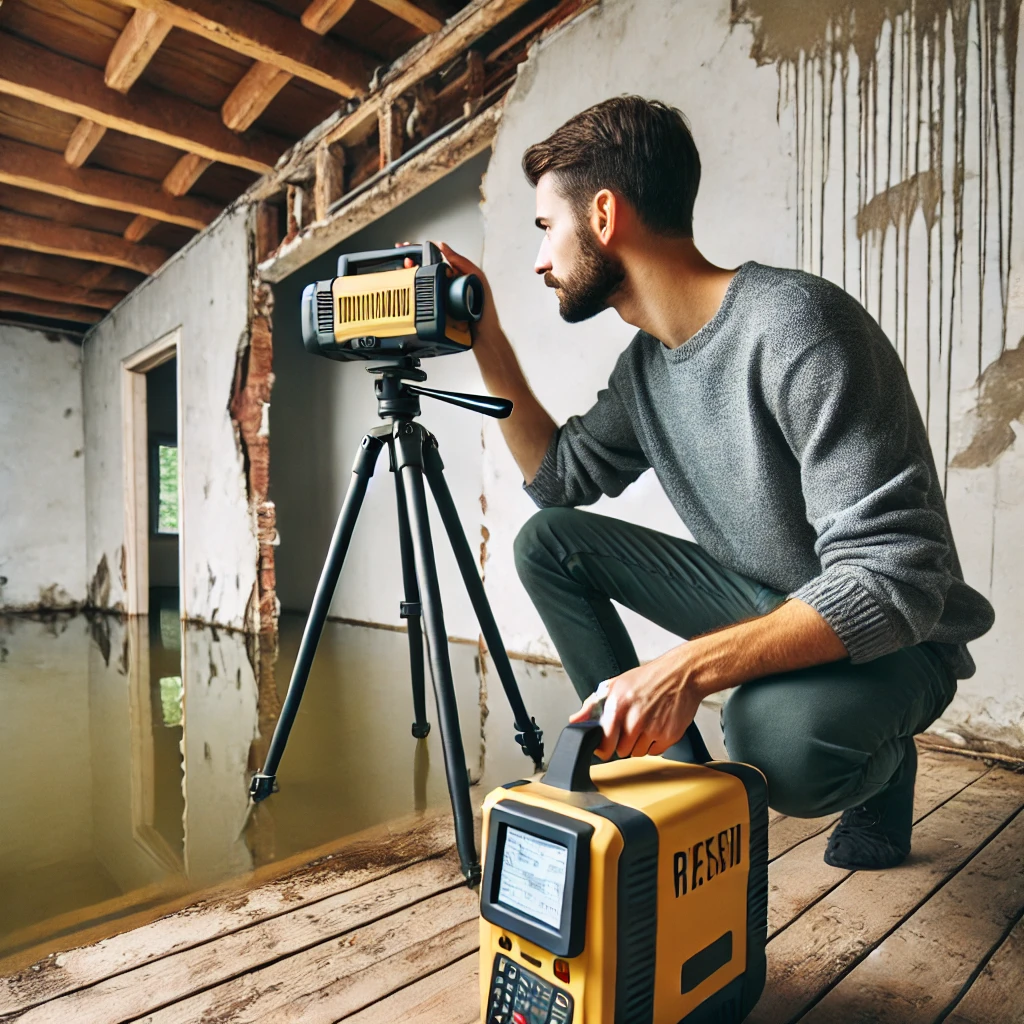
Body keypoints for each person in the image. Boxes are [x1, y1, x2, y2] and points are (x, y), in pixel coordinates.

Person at [435, 95, 995, 871]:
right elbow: (556, 480)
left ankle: (887, 765)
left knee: (774, 743)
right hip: (774, 598)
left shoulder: (798, 327)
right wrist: (484, 335)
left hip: (901, 638)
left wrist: (686, 669)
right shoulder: (647, 371)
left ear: (603, 216)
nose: (539, 261)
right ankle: (677, 787)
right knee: (548, 543)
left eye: (545, 229)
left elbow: (893, 580)